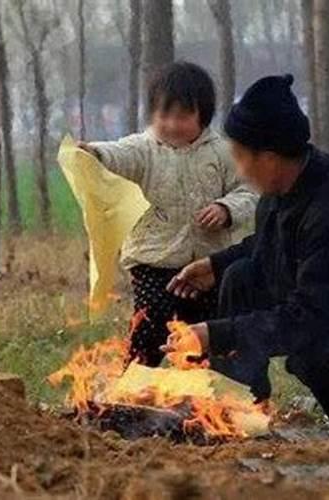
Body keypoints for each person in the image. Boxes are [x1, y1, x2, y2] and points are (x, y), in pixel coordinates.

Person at [166, 74, 329, 434]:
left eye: (239, 157)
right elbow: (272, 249)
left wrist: (214, 334)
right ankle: (238, 408)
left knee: (313, 353)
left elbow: (308, 317)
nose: (238, 169)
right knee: (239, 276)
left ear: (268, 157)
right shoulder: (282, 188)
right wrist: (215, 265)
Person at [78, 61, 257, 367]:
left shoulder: (223, 153)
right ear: (152, 114)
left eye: (183, 116)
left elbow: (250, 191)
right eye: (164, 115)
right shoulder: (143, 149)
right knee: (151, 324)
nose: (172, 125)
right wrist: (94, 153)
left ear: (203, 116)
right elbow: (118, 154)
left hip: (208, 265)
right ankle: (132, 387)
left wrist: (226, 209)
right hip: (154, 260)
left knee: (205, 333)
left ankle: (202, 400)